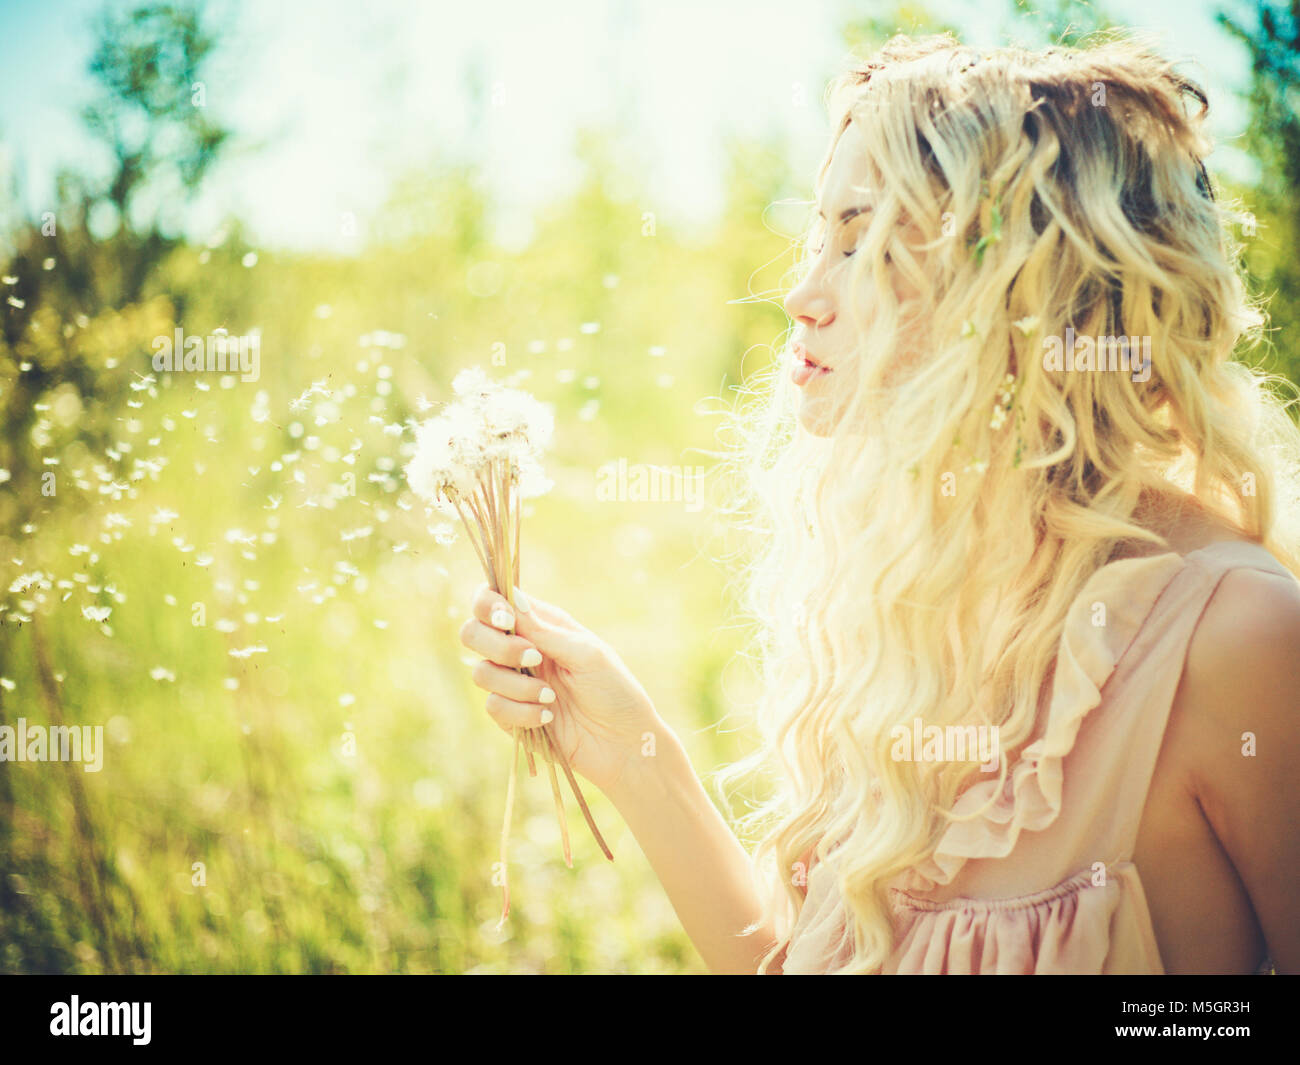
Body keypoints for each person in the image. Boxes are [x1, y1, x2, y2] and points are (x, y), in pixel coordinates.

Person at [458, 33, 1300, 974]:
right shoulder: (914, 610)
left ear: (1026, 282)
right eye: (818, 237)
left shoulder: (1238, 639)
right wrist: (634, 752)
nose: (802, 295)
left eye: (864, 240)